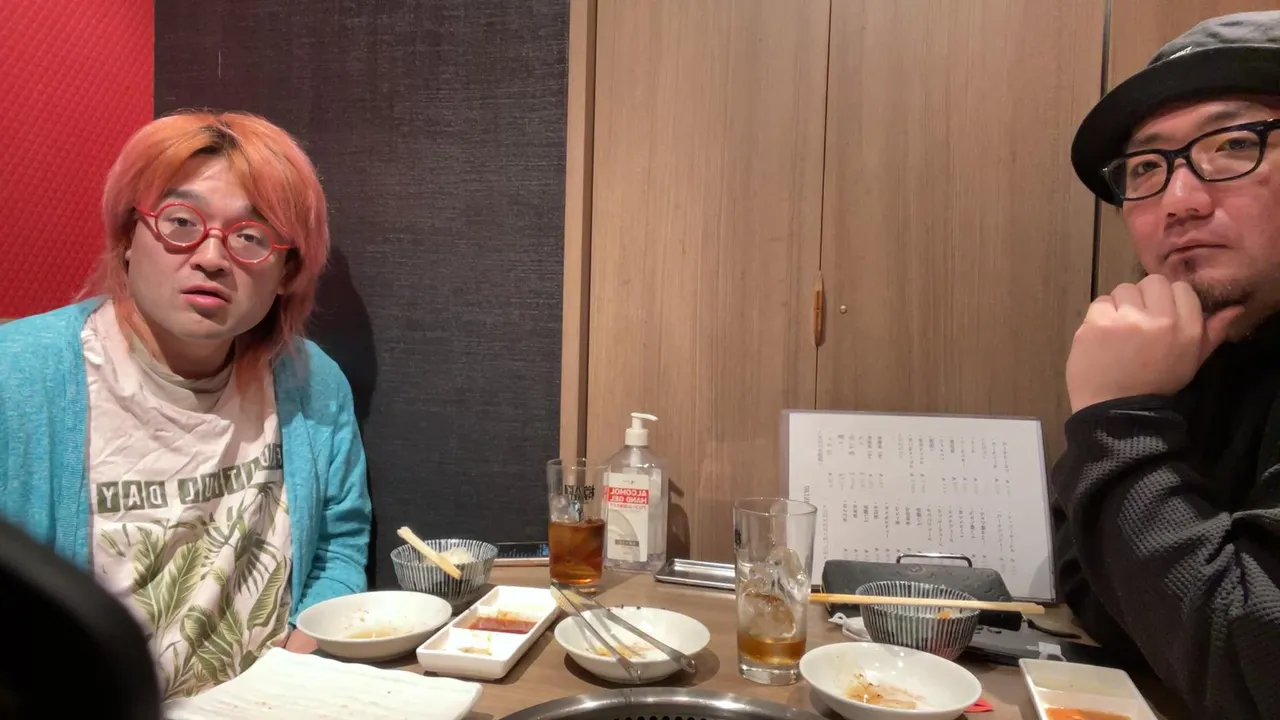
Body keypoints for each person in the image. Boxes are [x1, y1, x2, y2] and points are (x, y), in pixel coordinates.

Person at [0, 110, 372, 700]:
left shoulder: (312, 383)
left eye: (251, 236)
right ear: (128, 237)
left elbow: (337, 542)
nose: (212, 257)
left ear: (286, 271)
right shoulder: (18, 381)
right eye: (181, 222)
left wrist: (300, 664)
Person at [1053, 11, 1280, 719]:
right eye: (1148, 167)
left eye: (1234, 144)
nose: (1179, 201)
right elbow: (1097, 594)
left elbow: (1257, 673)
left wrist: (1117, 422)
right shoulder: (1195, 348)